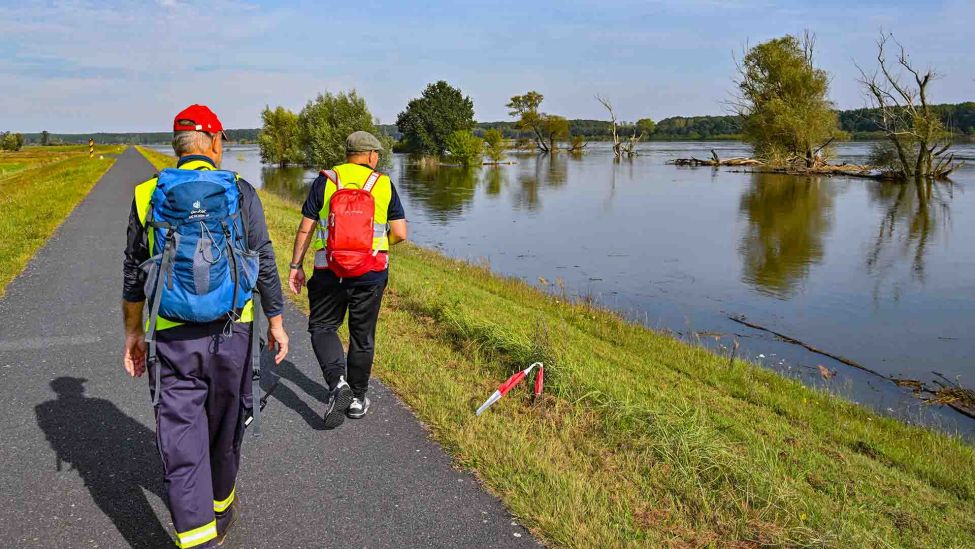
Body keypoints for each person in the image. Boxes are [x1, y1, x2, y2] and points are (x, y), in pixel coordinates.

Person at [121, 104, 289, 548]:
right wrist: (276, 321)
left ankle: (198, 537)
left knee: (180, 433)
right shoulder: (241, 191)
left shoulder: (147, 194)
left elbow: (133, 270)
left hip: (172, 333)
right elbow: (264, 261)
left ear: (177, 147)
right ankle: (220, 506)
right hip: (233, 331)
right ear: (214, 143)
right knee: (225, 425)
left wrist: (134, 333)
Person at [287, 131, 407, 428]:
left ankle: (337, 382)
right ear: (369, 155)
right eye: (377, 153)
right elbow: (401, 233)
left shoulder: (325, 180)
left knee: (323, 326)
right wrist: (373, 246)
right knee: (362, 335)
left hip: (329, 269)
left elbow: (306, 228)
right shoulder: (383, 183)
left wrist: (295, 265)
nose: (378, 157)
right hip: (371, 272)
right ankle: (356, 399)